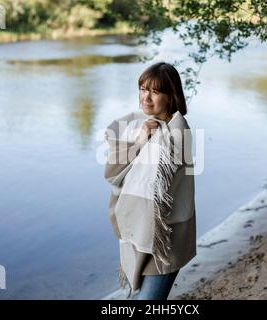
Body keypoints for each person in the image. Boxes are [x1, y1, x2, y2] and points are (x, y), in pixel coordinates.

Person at [104, 62, 196, 300]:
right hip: (139, 233)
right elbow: (112, 173)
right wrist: (139, 140)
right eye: (143, 89)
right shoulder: (137, 126)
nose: (145, 97)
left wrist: (146, 140)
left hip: (165, 239)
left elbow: (159, 187)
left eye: (155, 91)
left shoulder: (177, 133)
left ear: (171, 96)